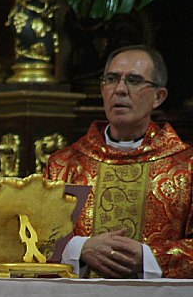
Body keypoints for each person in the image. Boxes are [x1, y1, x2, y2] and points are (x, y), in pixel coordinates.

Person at [45, 45, 193, 279]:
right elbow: (34, 240)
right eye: (112, 79)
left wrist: (147, 257)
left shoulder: (187, 167)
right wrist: (80, 249)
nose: (120, 89)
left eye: (134, 81)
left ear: (158, 96)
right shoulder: (64, 164)